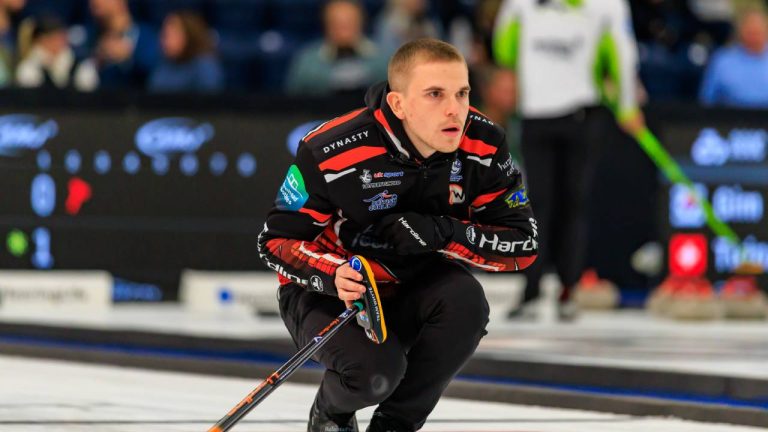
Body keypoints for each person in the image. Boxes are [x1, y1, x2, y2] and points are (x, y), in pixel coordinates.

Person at [258, 38, 538, 432]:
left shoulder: (483, 143)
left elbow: (523, 244)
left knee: (467, 303)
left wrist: (443, 232)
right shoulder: (331, 149)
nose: (454, 109)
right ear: (398, 104)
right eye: (435, 94)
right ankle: (331, 412)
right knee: (375, 375)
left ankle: (395, 425)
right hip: (330, 291)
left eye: (462, 93)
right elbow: (274, 241)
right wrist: (334, 273)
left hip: (413, 282)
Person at [493, 0, 644, 320]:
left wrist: (627, 105)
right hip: (536, 115)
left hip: (581, 113)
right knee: (538, 204)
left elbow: (621, 53)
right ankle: (532, 290)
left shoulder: (607, 5)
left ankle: (567, 290)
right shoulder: (522, 4)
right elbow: (504, 48)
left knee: (572, 203)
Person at [284, 0, 388, 96]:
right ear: (326, 25)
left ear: (361, 22)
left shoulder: (384, 58)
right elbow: (293, 100)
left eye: (349, 23)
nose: (343, 30)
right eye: (337, 24)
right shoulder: (307, 60)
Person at [699, 10, 768, 108]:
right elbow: (707, 100)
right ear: (740, 33)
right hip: (730, 119)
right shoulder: (722, 61)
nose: (754, 38)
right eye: (750, 33)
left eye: (757, 33)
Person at [148, 11, 223, 93]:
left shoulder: (205, 66)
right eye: (163, 34)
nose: (163, 40)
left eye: (169, 34)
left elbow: (211, 102)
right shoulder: (162, 65)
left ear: (188, 36)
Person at [15, 15, 97, 90]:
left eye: (61, 38)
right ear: (40, 40)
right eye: (52, 39)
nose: (58, 43)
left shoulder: (81, 67)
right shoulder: (29, 68)